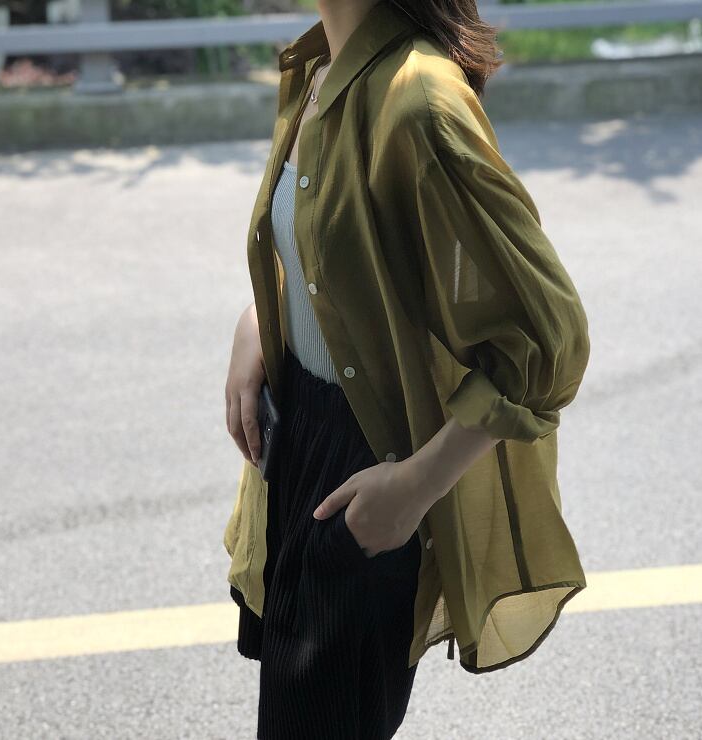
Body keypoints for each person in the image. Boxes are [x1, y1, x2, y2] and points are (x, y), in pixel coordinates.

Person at [223, 1, 591, 738]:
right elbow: (342, 249)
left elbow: (547, 337)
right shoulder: (320, 66)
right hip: (298, 447)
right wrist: (261, 318)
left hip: (364, 468)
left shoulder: (417, 98)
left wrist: (415, 486)